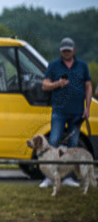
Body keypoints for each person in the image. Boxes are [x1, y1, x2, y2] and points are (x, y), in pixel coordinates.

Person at [39, 37, 92, 187]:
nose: (66, 52)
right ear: (60, 51)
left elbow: (88, 87)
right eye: (64, 50)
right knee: (54, 142)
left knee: (72, 145)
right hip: (59, 111)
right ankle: (49, 177)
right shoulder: (54, 65)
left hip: (77, 112)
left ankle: (68, 177)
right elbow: (44, 86)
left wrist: (87, 108)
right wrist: (58, 83)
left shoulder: (83, 66)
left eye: (69, 50)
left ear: (74, 50)